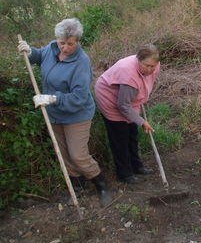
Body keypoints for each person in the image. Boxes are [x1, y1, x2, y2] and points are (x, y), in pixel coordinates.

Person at [17, 18, 112, 207]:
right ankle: (77, 185)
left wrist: (53, 98)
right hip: (54, 114)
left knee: (78, 155)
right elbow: (39, 56)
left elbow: (78, 97)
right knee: (63, 154)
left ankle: (101, 184)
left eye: (70, 44)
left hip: (76, 115)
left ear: (77, 41)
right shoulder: (52, 48)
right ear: (57, 39)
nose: (65, 48)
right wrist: (29, 51)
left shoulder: (81, 63)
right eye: (62, 42)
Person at [94, 44, 160, 184]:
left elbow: (145, 83)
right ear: (138, 60)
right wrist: (142, 121)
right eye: (146, 65)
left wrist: (141, 98)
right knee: (120, 137)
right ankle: (124, 174)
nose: (150, 70)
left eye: (152, 66)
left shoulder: (155, 66)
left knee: (132, 134)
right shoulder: (129, 75)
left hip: (127, 98)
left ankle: (137, 166)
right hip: (110, 97)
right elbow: (123, 105)